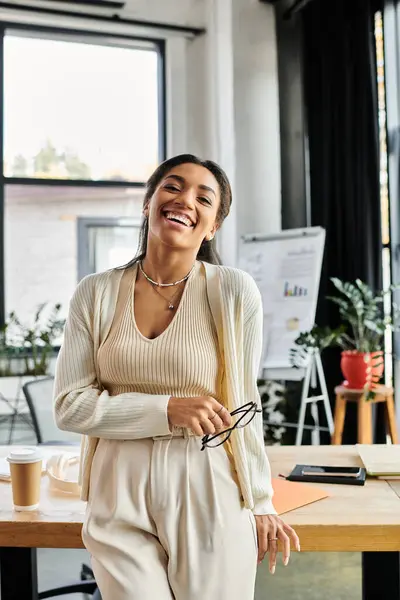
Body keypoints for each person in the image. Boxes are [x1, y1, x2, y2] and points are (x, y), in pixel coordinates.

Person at [53, 154, 300, 600]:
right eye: (172, 186)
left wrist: (260, 501)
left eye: (203, 198)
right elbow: (70, 406)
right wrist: (166, 409)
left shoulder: (232, 291)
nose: (184, 200)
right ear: (148, 204)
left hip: (206, 477)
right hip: (117, 480)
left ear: (211, 227)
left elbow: (245, 405)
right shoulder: (94, 292)